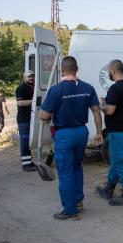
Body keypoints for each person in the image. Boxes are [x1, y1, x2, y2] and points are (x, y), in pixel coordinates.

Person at [40, 56, 103, 220]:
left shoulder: (56, 90)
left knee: (66, 172)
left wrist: (44, 112)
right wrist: (99, 133)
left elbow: (44, 115)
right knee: (77, 167)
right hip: (82, 132)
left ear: (62, 70)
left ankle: (70, 210)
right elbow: (96, 110)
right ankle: (78, 201)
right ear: (77, 69)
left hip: (65, 134)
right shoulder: (87, 87)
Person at [95, 60, 123, 206]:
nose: (109, 74)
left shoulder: (115, 88)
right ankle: (109, 189)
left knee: (121, 161)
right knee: (116, 160)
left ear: (113, 71)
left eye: (109, 72)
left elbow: (111, 110)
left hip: (118, 130)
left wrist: (102, 106)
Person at [15, 70, 36, 172]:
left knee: (29, 141)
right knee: (25, 140)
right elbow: (20, 103)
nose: (31, 78)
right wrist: (34, 101)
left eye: (32, 76)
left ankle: (29, 161)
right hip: (23, 119)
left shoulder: (34, 87)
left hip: (32, 118)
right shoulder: (21, 88)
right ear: (24, 78)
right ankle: (26, 164)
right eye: (29, 77)